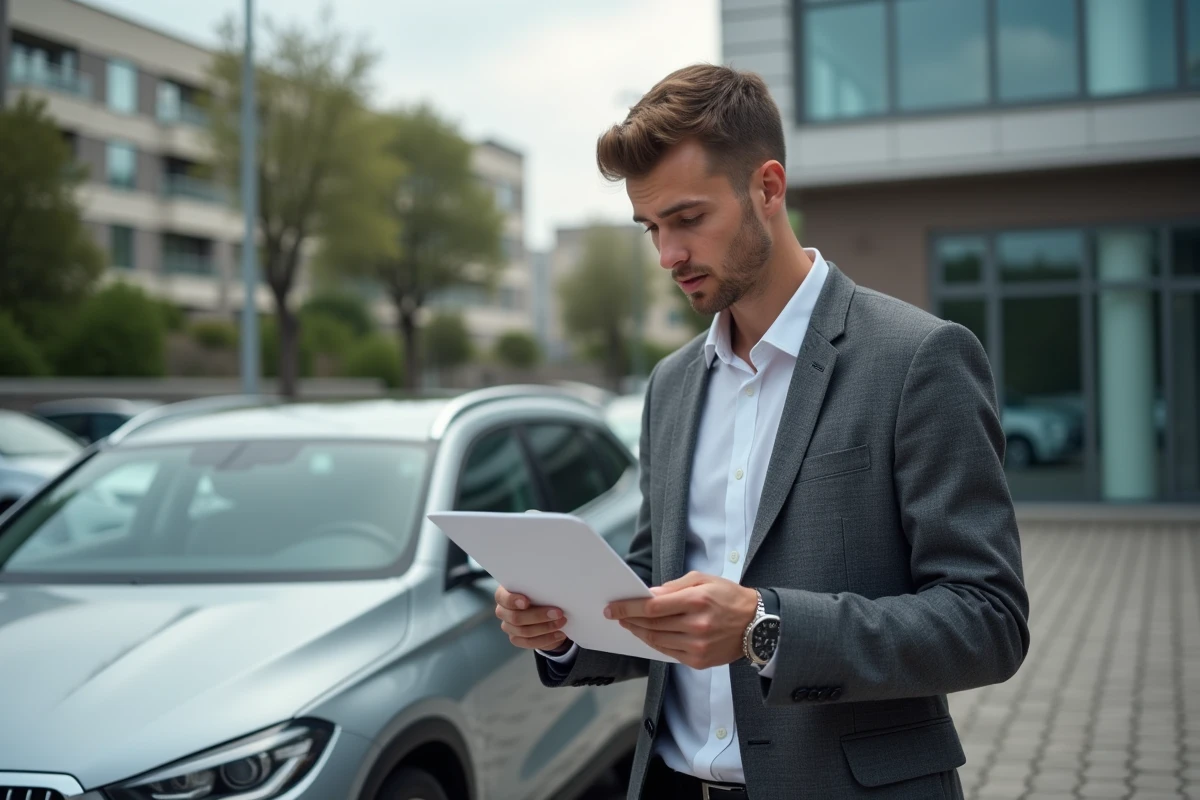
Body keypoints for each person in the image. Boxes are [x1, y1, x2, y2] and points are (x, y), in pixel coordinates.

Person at [494, 63, 1029, 800]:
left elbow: (988, 620)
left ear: (768, 188)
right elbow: (655, 593)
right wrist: (562, 629)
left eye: (687, 219)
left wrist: (766, 627)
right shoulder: (671, 386)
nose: (667, 256)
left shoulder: (918, 359)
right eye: (652, 228)